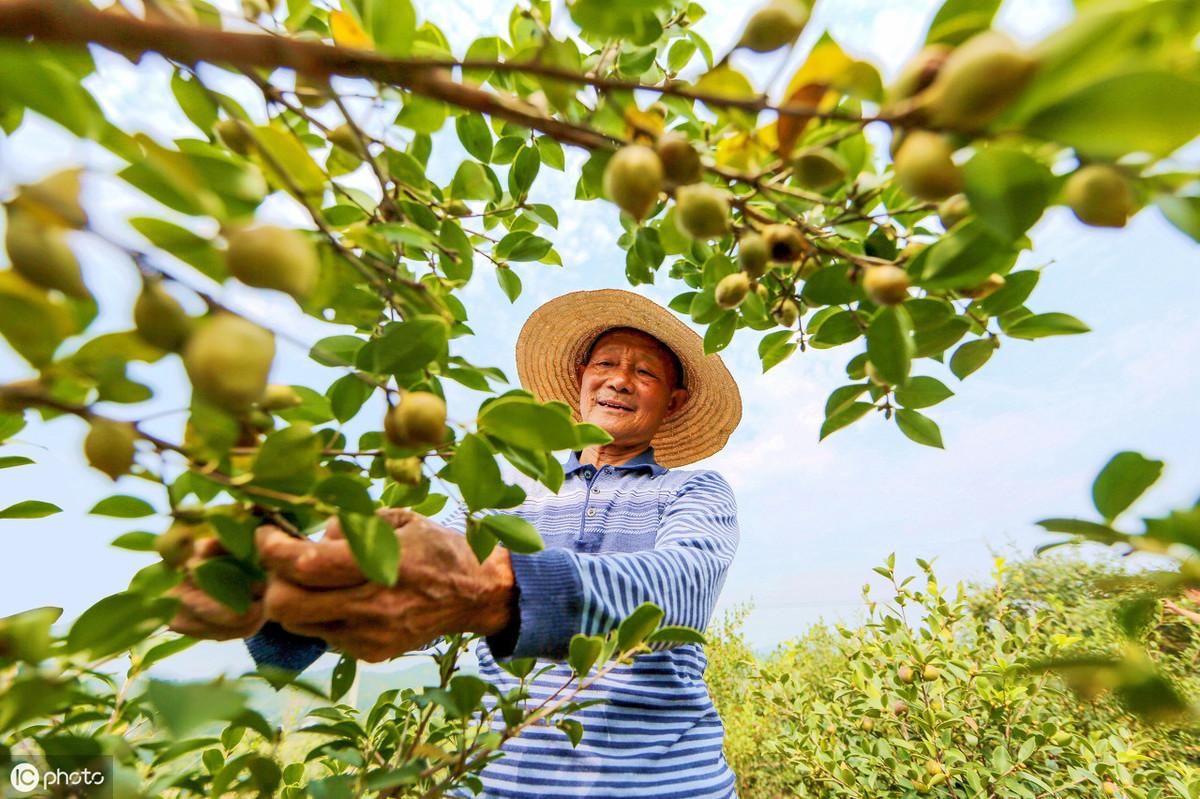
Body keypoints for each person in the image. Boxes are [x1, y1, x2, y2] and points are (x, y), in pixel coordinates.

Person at [168, 288, 744, 798]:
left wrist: (496, 588)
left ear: (673, 401)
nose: (620, 378)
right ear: (580, 380)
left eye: (645, 372)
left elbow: (680, 587)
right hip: (502, 780)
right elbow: (414, 581)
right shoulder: (506, 488)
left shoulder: (693, 489)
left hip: (666, 782)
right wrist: (278, 592)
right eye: (607, 363)